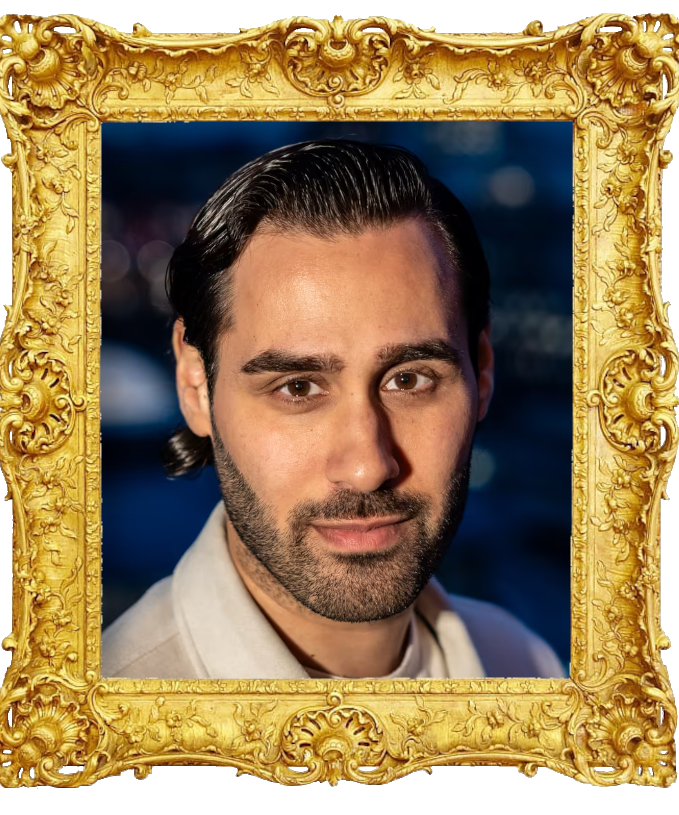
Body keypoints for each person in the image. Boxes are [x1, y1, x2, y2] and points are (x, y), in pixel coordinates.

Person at [102, 140, 564, 680]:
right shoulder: (106, 733)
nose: (367, 466)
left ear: (482, 372)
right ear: (195, 385)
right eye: (298, 388)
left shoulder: (526, 668)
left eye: (409, 380)